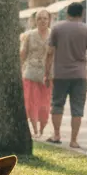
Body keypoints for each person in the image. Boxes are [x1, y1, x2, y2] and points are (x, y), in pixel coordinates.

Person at [45, 1, 87, 148]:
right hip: (80, 75)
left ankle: (56, 134)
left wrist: (47, 73)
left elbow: (49, 53)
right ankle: (73, 140)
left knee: (57, 105)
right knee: (77, 108)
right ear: (82, 14)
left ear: (67, 13)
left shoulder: (57, 28)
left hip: (60, 74)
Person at [20, 9, 52, 138]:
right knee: (32, 102)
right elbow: (23, 54)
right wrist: (20, 68)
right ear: (35, 21)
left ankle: (43, 127)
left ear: (49, 20)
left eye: (45, 18)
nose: (42, 21)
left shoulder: (53, 35)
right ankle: (35, 129)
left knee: (45, 105)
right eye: (39, 18)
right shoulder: (29, 35)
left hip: (47, 74)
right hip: (30, 73)